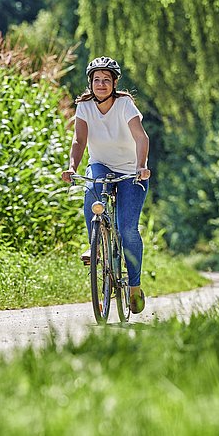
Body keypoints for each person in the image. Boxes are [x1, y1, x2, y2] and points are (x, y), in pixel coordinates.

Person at [61, 56, 151, 314]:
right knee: (92, 191)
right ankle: (95, 245)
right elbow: (79, 141)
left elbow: (140, 137)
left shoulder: (125, 105)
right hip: (101, 164)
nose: (101, 84)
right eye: (97, 80)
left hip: (131, 171)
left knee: (127, 230)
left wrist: (141, 166)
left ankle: (134, 288)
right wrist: (72, 167)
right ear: (90, 83)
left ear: (114, 83)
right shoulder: (85, 107)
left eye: (106, 80)